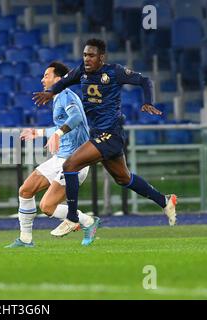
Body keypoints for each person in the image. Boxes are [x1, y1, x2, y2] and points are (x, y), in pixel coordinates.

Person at [33, 39, 177, 246]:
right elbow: (63, 82)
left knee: (70, 165)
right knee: (123, 178)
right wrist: (50, 92)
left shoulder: (115, 72)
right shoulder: (81, 71)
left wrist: (147, 101)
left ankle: (72, 218)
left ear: (102, 57)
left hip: (111, 134)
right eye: (84, 55)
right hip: (99, 134)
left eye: (91, 55)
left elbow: (145, 81)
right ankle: (164, 201)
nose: (87, 59)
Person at [5, 61, 96, 248]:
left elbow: (77, 118)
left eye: (46, 75)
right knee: (25, 190)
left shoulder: (66, 95)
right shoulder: (57, 98)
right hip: (61, 158)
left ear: (59, 79)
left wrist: (58, 134)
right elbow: (62, 125)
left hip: (75, 161)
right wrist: (38, 133)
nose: (42, 79)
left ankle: (88, 222)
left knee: (47, 207)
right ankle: (25, 239)